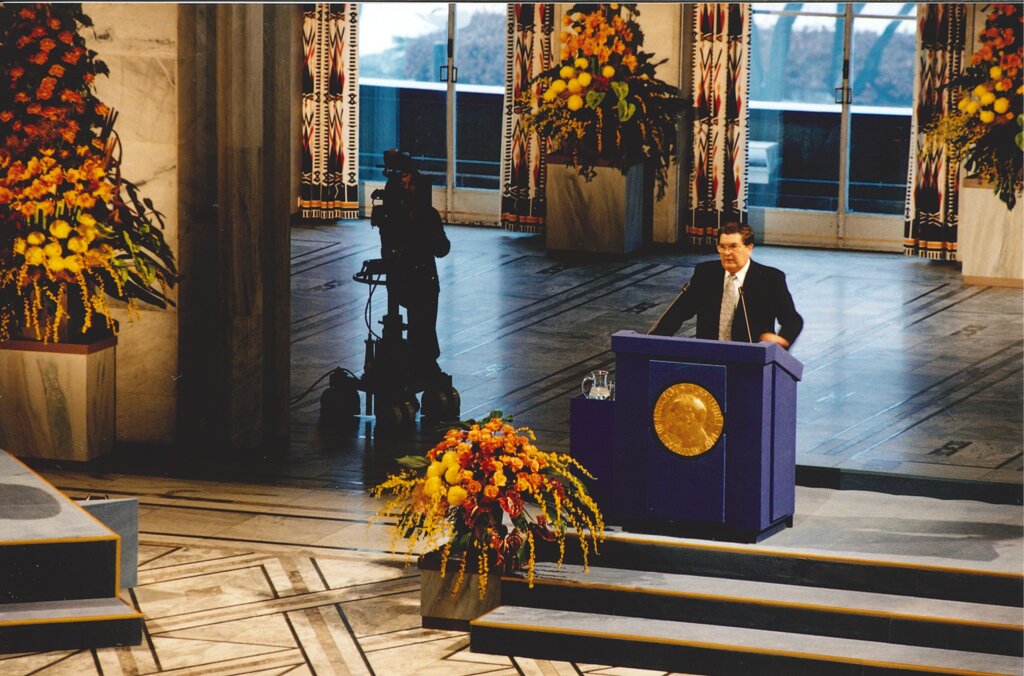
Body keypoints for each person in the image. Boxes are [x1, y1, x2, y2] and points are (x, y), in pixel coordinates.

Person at [650, 222, 803, 348]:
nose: (726, 253)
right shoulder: (706, 273)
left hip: (750, 359)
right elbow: (679, 312)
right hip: (708, 355)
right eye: (722, 247)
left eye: (733, 246)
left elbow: (792, 319)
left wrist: (782, 339)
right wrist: (653, 342)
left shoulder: (770, 279)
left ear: (749, 248)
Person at [377, 163, 451, 382]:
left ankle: (424, 362)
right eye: (403, 185)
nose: (407, 190)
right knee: (418, 324)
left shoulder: (428, 216)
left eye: (410, 185)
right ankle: (418, 362)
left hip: (424, 278)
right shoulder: (393, 218)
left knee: (424, 325)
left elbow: (442, 249)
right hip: (405, 279)